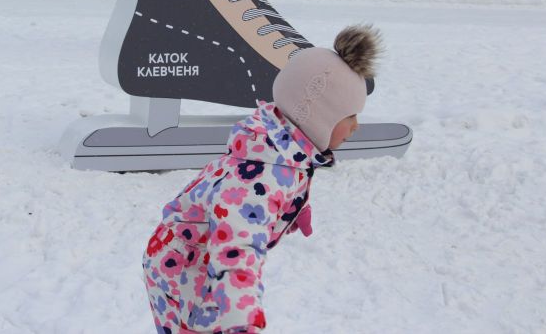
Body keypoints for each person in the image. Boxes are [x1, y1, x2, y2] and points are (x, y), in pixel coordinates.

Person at [142, 24, 382, 334]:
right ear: (318, 116)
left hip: (194, 256)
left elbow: (281, 185)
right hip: (188, 272)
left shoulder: (280, 147)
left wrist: (294, 207)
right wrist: (243, 322)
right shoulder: (258, 178)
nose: (356, 126)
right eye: (350, 116)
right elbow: (237, 251)